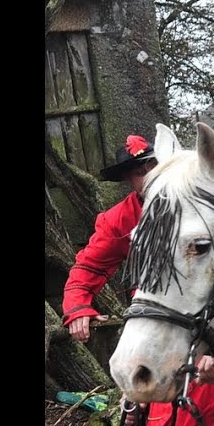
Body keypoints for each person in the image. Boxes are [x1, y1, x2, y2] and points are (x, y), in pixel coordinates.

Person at [62, 135, 158, 343]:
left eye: (155, 167)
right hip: (154, 311)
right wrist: (78, 308)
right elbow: (88, 267)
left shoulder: (199, 198)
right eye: (140, 173)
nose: (152, 177)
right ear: (128, 180)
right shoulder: (118, 220)